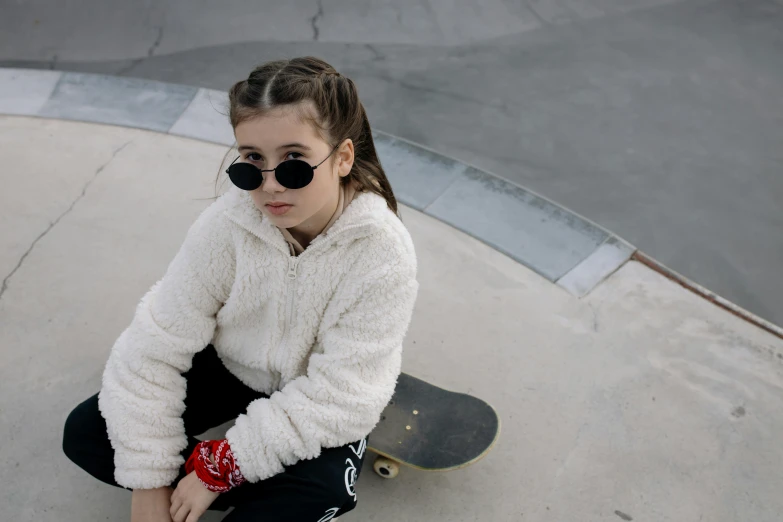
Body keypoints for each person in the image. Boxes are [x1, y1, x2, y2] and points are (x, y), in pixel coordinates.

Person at [62, 56, 419, 522]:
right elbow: (153, 346)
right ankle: (230, 487)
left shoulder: (381, 250)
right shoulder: (226, 225)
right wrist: (148, 477)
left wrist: (220, 468)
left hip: (315, 391)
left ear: (344, 157)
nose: (270, 186)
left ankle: (232, 484)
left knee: (322, 490)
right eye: (252, 161)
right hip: (234, 364)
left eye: (294, 162)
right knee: (86, 433)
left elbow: (343, 395)